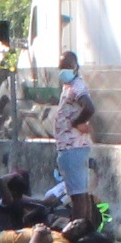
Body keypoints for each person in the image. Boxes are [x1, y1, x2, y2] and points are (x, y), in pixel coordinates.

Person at [52, 52, 95, 225]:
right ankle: (84, 226)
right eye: (61, 67)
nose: (63, 71)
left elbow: (89, 108)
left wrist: (76, 122)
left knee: (77, 195)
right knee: (78, 192)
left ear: (76, 67)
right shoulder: (69, 86)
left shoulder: (77, 87)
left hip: (73, 146)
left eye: (68, 67)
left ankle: (79, 228)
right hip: (70, 146)